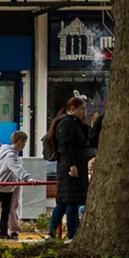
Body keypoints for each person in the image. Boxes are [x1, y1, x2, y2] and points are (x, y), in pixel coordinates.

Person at [49, 90, 92, 239]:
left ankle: (56, 233)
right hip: (69, 168)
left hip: (76, 165)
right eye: (82, 109)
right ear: (73, 108)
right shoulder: (66, 123)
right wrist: (72, 164)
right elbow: (64, 146)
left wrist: (84, 125)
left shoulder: (76, 123)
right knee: (69, 201)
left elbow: (84, 141)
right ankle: (70, 234)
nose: (84, 112)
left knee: (68, 201)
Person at [0, 131, 38, 239]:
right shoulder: (10, 155)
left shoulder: (8, 153)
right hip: (1, 187)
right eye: (24, 143)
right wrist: (28, 178)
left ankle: (3, 233)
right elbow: (16, 168)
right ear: (20, 142)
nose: (24, 145)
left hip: (9, 188)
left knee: (6, 211)